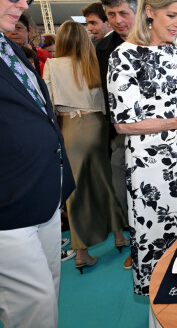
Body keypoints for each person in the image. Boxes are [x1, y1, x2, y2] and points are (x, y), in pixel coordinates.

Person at [108, 0, 177, 295]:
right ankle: (162, 307)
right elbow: (124, 124)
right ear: (149, 11)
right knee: (158, 241)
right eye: (172, 16)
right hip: (148, 169)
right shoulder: (123, 57)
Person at [0, 0, 75, 327]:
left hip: (42, 196)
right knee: (34, 306)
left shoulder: (11, 49)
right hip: (8, 209)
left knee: (49, 288)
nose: (21, 5)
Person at [43, 21, 127, 273]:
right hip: (99, 126)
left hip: (72, 127)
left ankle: (81, 252)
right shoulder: (93, 65)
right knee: (107, 180)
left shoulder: (52, 65)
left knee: (76, 188)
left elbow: (49, 103)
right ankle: (120, 235)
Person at [97, 0, 137, 270]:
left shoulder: (157, 39)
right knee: (123, 190)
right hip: (121, 135)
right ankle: (138, 244)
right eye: (111, 14)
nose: (118, 19)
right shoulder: (103, 48)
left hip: (161, 133)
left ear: (137, 10)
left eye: (123, 12)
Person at [6, 12, 51, 76]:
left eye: (18, 27)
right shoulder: (2, 55)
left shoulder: (43, 55)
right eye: (9, 29)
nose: (14, 32)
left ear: (29, 31)